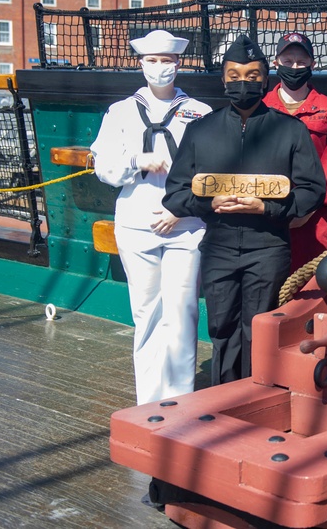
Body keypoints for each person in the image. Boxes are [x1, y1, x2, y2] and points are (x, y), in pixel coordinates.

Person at [163, 35, 325, 384]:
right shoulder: (200, 130)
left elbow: (313, 190)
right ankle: (224, 397)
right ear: (223, 79)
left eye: (253, 76)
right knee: (221, 327)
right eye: (234, 74)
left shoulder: (290, 130)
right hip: (218, 246)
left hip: (268, 248)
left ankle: (258, 397)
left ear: (265, 80)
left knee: (261, 327)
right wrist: (208, 204)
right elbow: (174, 194)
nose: (243, 82)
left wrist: (269, 208)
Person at [89, 29, 212, 406]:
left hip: (184, 227)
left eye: (167, 60)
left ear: (179, 64)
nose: (160, 67)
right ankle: (149, 402)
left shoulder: (201, 113)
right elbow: (105, 167)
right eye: (152, 60)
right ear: (140, 64)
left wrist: (181, 209)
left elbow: (211, 173)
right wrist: (135, 160)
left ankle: (179, 402)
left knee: (182, 313)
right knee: (146, 314)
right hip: (137, 224)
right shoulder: (121, 112)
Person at [263, 32, 327, 271]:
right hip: (267, 214)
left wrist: (307, 207)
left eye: (301, 61)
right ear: (276, 62)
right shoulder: (261, 108)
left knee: (311, 287)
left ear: (313, 64)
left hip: (315, 218)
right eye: (288, 61)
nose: (295, 67)